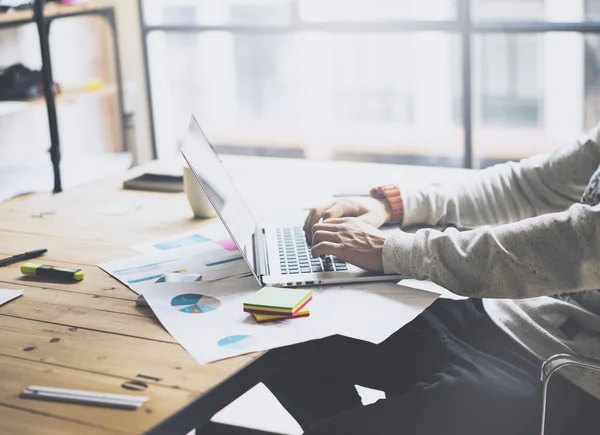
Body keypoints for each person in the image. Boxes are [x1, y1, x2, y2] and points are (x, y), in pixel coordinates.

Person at [263, 125, 600, 435]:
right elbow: (527, 187)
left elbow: (577, 244)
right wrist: (393, 206)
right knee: (290, 334)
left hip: (568, 377)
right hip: (518, 318)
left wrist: (390, 250)